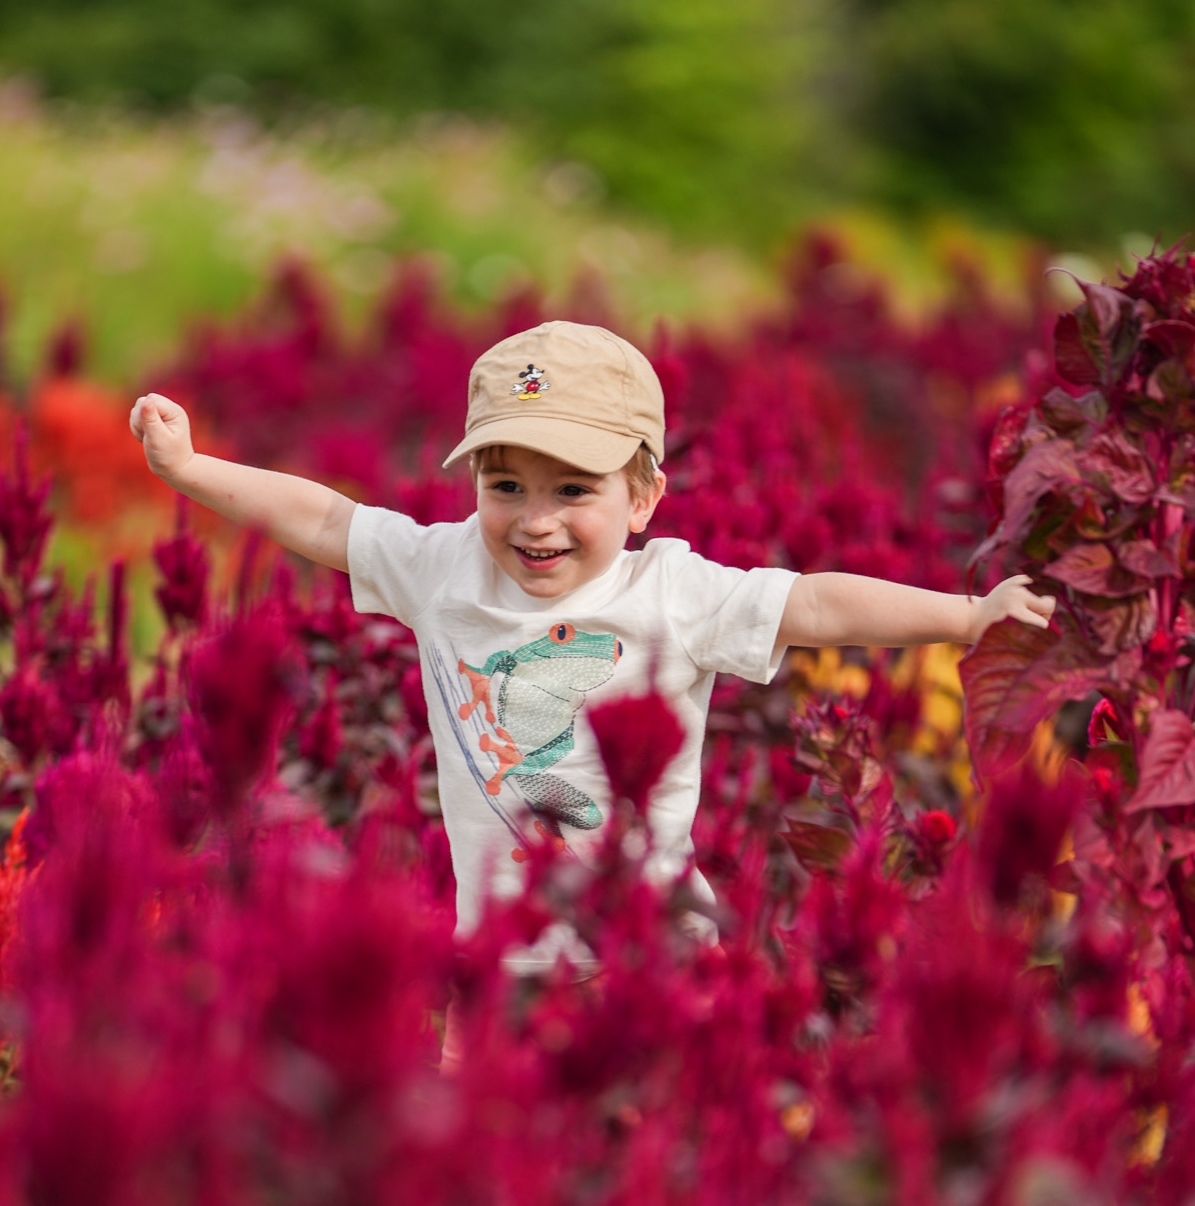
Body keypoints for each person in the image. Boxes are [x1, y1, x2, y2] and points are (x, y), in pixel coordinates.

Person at [130, 319, 1053, 1056]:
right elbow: (325, 519)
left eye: (573, 490)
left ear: (643, 497)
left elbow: (813, 604)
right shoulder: (442, 568)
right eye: (505, 485)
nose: (536, 522)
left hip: (644, 952)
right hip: (496, 961)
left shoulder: (672, 592)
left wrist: (967, 618)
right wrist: (189, 468)